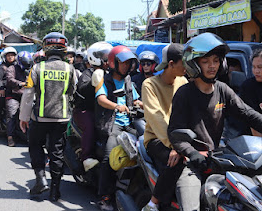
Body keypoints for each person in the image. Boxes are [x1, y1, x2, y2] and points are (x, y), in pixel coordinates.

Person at [167, 33, 262, 211]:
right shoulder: (184, 94)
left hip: (217, 158)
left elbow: (247, 113)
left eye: (216, 60)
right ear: (194, 64)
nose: (212, 66)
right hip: (191, 163)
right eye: (205, 61)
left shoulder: (222, 90)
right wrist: (192, 152)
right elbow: (175, 133)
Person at [19, 32, 76, 202]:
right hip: (62, 119)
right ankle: (55, 191)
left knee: (35, 145)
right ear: (64, 49)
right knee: (57, 153)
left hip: (40, 118)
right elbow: (74, 92)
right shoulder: (70, 69)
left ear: (45, 49)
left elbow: (28, 94)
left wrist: (23, 117)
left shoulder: (37, 68)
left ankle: (41, 179)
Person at [141, 44, 188, 211]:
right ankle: (153, 203)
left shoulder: (183, 81)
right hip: (156, 139)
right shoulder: (149, 85)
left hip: (181, 139)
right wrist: (176, 145)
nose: (187, 66)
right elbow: (157, 118)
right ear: (171, 64)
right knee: (176, 161)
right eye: (184, 62)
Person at [95, 45, 141, 211]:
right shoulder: (105, 80)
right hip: (112, 123)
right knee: (110, 157)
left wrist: (143, 104)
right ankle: (104, 197)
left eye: (129, 63)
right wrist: (116, 106)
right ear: (114, 63)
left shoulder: (129, 80)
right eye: (124, 63)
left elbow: (135, 99)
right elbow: (100, 98)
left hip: (129, 123)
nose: (127, 66)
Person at [73, 41, 112, 172]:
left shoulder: (112, 74)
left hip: (107, 111)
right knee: (90, 126)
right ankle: (86, 157)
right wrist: (92, 83)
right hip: (85, 110)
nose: (108, 60)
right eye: (105, 57)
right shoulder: (88, 73)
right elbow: (83, 88)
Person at [5, 51, 33, 147]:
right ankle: (10, 137)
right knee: (12, 113)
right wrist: (20, 83)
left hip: (27, 95)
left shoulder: (31, 70)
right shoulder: (11, 68)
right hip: (14, 95)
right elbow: (9, 79)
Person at [0, 47, 18, 126]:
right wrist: (1, 89)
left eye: (12, 55)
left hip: (15, 88)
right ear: (5, 57)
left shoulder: (17, 67)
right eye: (8, 55)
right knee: (0, 97)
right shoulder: (1, 68)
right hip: (4, 88)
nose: (10, 57)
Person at [240, 49, 262, 136]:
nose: (256, 71)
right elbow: (252, 121)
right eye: (254, 67)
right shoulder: (248, 87)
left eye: (260, 67)